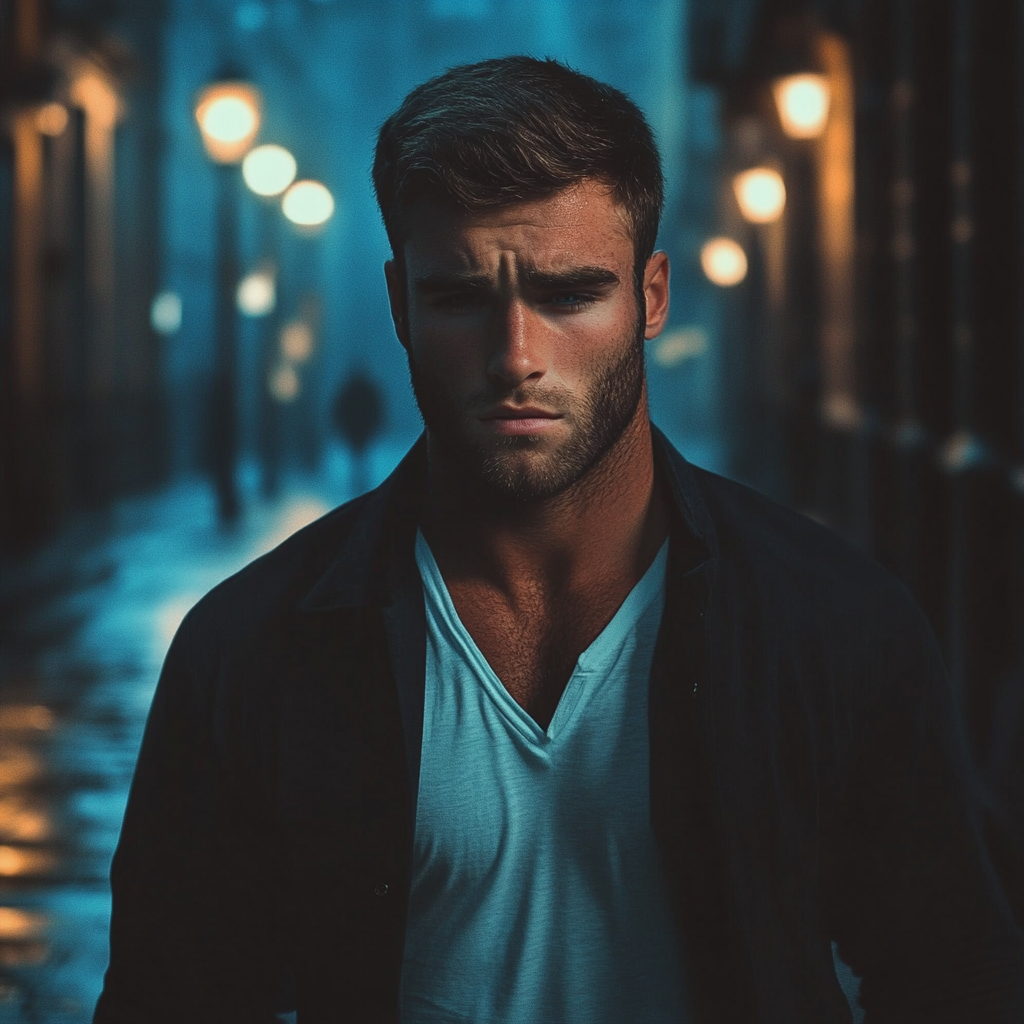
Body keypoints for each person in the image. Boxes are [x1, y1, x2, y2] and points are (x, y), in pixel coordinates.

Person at [94, 57, 1023, 1024]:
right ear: (401, 302)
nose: (517, 359)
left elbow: (956, 972)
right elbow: (172, 997)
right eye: (460, 299)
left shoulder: (833, 625)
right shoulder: (249, 649)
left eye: (572, 295)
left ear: (651, 298)